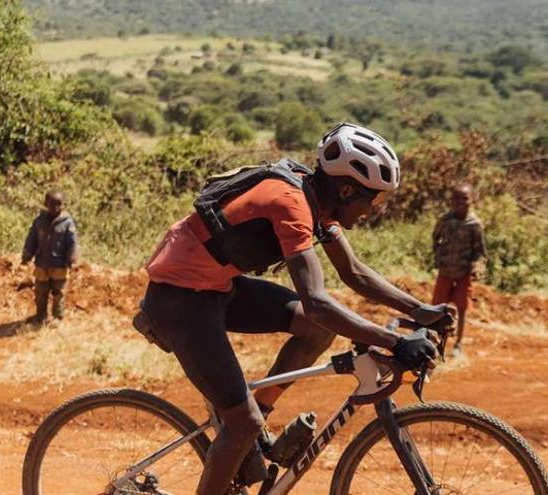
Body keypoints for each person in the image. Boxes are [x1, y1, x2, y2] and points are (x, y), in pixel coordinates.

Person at [137, 123, 451, 495]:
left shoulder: (316, 200)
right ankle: (246, 428)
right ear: (346, 189)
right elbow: (317, 301)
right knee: (242, 424)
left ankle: (259, 415)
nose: (373, 210)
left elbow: (354, 273)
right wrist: (394, 343)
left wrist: (420, 310)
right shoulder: (291, 204)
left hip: (217, 287)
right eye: (374, 199)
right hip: (180, 300)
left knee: (314, 331)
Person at [431, 184, 486, 355]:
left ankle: (458, 344)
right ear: (451, 200)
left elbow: (480, 252)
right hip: (445, 271)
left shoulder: (474, 224)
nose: (461, 202)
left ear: (472, 200)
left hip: (464, 272)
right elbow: (435, 238)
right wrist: (439, 257)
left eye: (465, 198)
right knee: (438, 308)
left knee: (461, 309)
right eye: (457, 198)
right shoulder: (445, 220)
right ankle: (435, 341)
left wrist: (477, 268)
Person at [21, 190, 79, 323]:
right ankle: (40, 316)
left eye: (59, 204)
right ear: (45, 204)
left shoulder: (67, 223)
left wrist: (71, 260)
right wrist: (27, 255)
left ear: (64, 204)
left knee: (58, 292)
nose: (56, 208)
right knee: (40, 291)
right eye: (52, 204)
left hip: (59, 265)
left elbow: (72, 243)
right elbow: (32, 239)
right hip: (41, 263)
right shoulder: (39, 221)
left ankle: (57, 317)